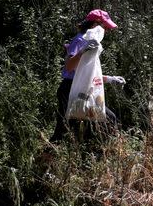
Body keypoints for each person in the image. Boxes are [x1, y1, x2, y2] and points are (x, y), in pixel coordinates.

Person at [51, 9, 126, 142]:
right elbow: (69, 67)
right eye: (105, 27)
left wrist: (110, 79)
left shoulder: (92, 42)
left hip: (82, 88)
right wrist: (83, 51)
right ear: (95, 24)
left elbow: (86, 73)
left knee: (103, 121)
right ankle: (46, 159)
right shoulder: (80, 40)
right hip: (69, 90)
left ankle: (100, 154)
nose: (107, 31)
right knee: (63, 130)